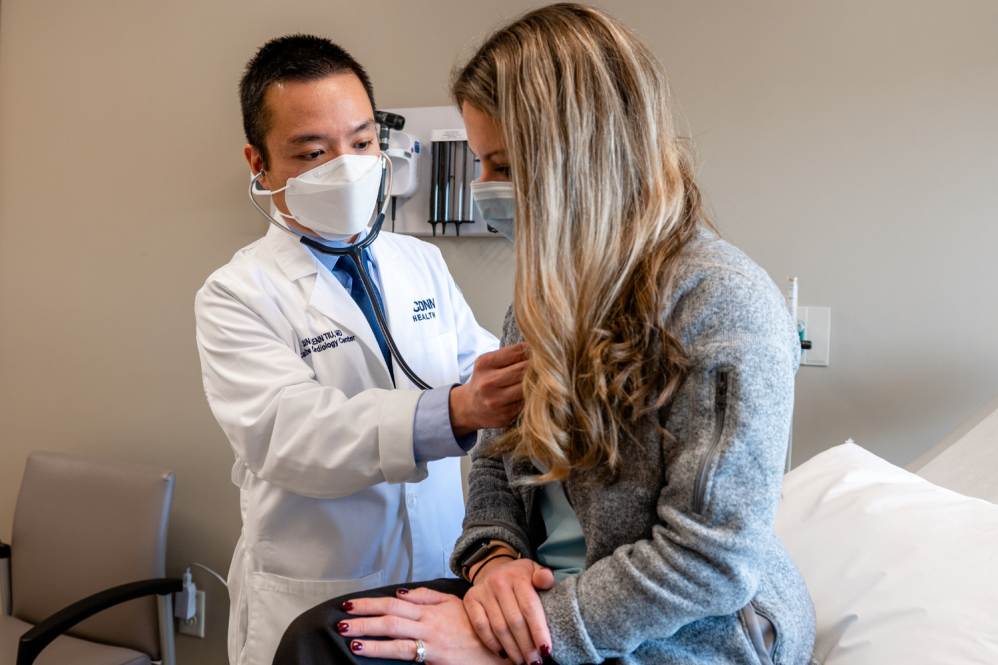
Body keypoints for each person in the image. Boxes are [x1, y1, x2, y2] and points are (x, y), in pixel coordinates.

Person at [273, 5, 816, 665]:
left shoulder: (722, 304)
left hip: (685, 631)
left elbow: (709, 562)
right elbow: (498, 460)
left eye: (502, 167)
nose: (484, 191)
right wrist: (494, 560)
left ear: (582, 161)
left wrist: (528, 633)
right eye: (480, 164)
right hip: (539, 591)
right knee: (322, 640)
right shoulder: (545, 298)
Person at [194, 35, 529, 665]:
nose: (346, 166)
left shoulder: (420, 263)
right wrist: (457, 410)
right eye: (313, 152)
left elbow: (481, 370)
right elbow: (292, 434)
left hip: (438, 591)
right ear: (258, 163)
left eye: (363, 141)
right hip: (319, 597)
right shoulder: (236, 294)